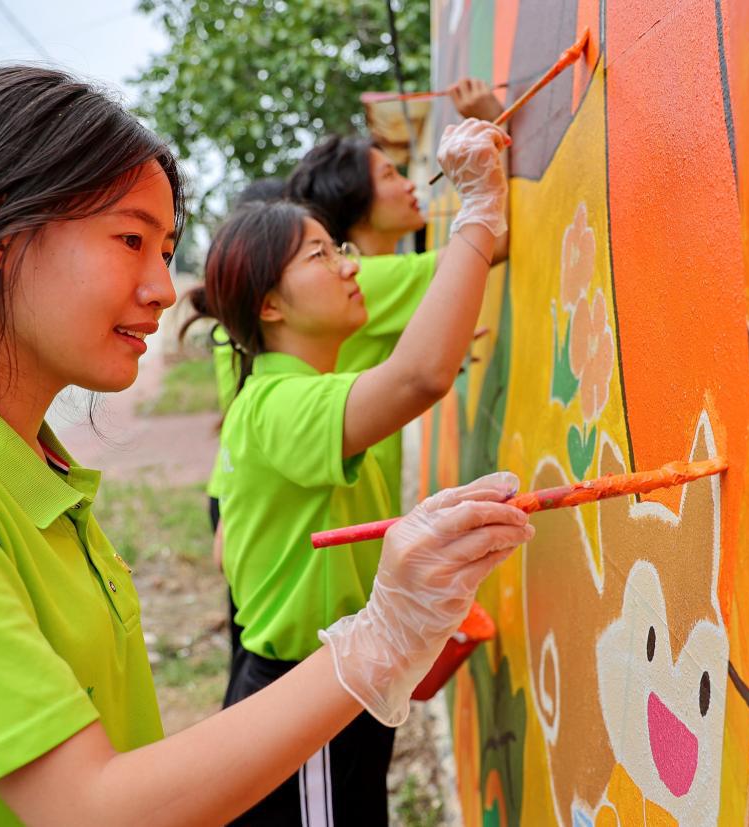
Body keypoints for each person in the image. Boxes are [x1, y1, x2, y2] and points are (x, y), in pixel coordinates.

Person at [0, 65, 532, 826]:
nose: (160, 286)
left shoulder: (19, 459)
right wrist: (379, 640)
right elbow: (88, 808)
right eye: (130, 240)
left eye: (165, 249)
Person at [186, 114, 510, 824]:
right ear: (269, 305)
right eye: (320, 257)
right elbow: (417, 375)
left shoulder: (282, 392)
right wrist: (480, 211)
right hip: (307, 690)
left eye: (338, 248)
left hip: (324, 680)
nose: (350, 265)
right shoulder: (279, 403)